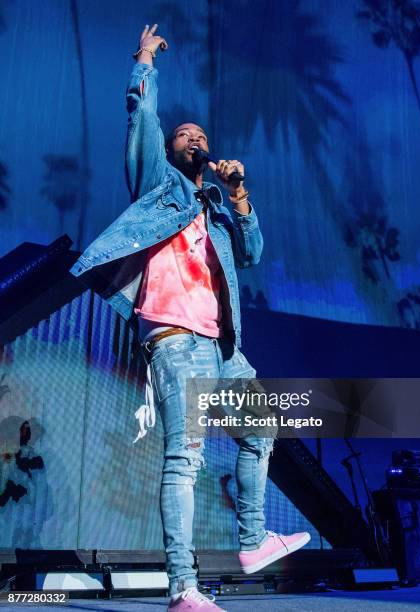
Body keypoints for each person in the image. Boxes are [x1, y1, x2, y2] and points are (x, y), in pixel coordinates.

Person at [70, 23, 310, 612]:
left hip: (223, 347)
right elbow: (142, 119)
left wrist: (240, 199)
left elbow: (251, 255)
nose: (192, 136)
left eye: (200, 133)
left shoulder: (218, 210)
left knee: (263, 431)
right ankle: (183, 588)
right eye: (184, 133)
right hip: (176, 340)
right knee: (187, 456)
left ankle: (252, 542)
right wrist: (144, 61)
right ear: (173, 149)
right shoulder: (158, 183)